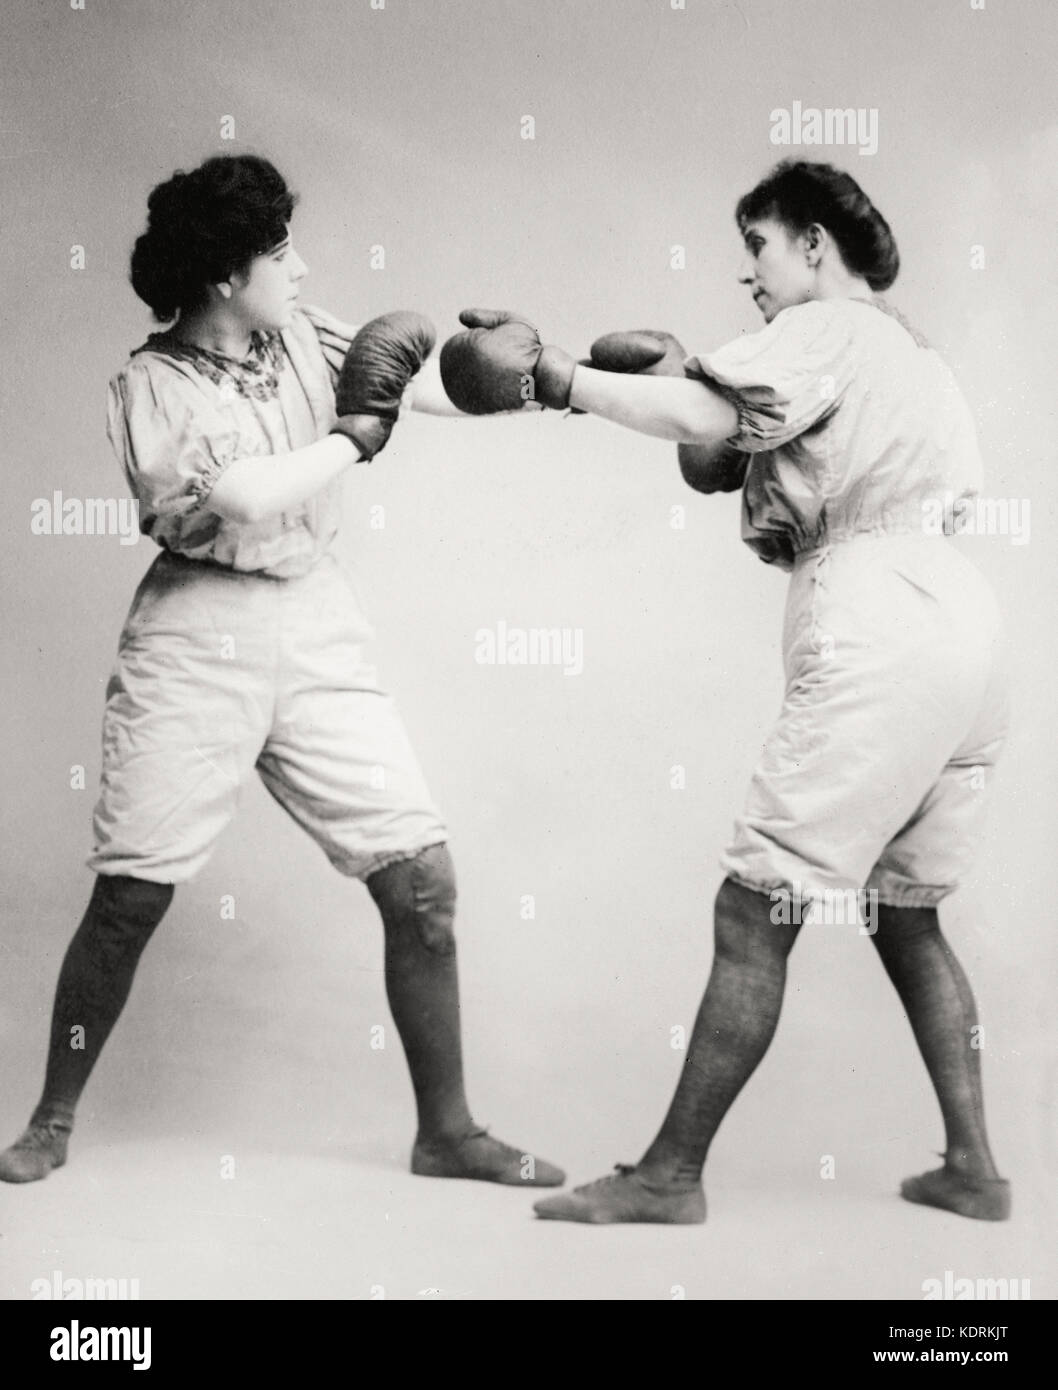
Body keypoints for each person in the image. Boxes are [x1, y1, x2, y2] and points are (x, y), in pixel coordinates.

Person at [439, 159, 1010, 1224]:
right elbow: (719, 451)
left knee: (754, 912)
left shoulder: (826, 324)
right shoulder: (911, 354)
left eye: (756, 245)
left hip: (877, 615)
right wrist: (662, 374)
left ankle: (668, 1173)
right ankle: (972, 1168)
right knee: (906, 916)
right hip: (963, 632)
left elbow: (702, 412)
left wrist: (552, 377)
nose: (746, 272)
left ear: (811, 246)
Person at [0, 154, 563, 1191]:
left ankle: (446, 1131)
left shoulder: (304, 333)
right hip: (194, 634)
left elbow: (420, 386)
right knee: (131, 895)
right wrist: (355, 437)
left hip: (313, 614)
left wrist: (534, 376)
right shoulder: (148, 385)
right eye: (278, 251)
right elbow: (249, 496)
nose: (300, 267)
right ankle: (50, 1116)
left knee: (423, 883)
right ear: (223, 275)